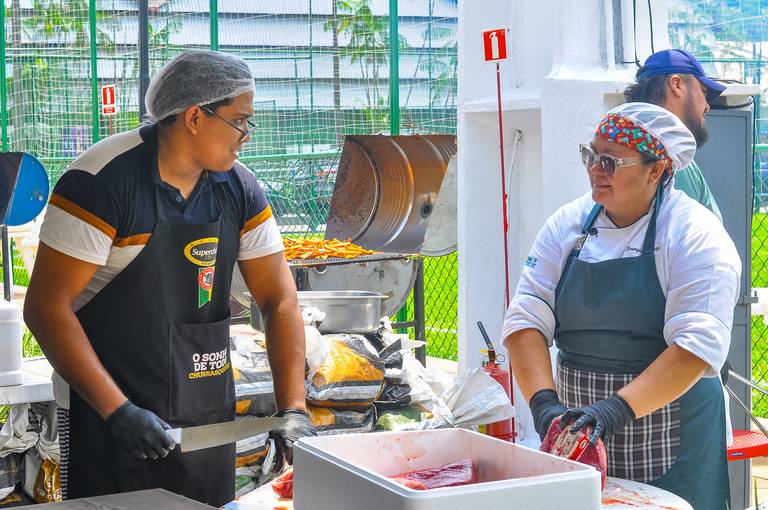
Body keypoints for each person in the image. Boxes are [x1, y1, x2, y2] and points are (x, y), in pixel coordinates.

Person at [23, 50, 315, 506]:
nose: (247, 135)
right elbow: (45, 308)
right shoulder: (101, 182)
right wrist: (118, 411)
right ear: (195, 117)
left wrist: (293, 407)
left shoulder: (239, 187)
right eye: (240, 121)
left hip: (206, 418)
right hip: (110, 421)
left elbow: (279, 299)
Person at [503, 102, 740, 509]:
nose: (595, 170)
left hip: (671, 436)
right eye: (590, 155)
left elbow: (696, 346)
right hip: (579, 431)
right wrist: (545, 407)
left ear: (656, 170)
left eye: (610, 161)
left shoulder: (695, 234)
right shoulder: (567, 224)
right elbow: (526, 316)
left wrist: (613, 411)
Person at [625, 48, 727, 221]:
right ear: (677, 84)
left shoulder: (623, 145)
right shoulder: (670, 157)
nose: (707, 106)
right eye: (704, 91)